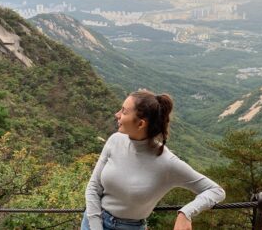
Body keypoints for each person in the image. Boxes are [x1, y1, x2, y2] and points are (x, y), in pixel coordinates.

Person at [82, 90, 225, 230]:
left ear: (140, 124)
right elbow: (93, 187)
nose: (117, 114)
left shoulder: (167, 163)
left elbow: (216, 191)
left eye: (124, 112)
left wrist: (186, 213)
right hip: (93, 219)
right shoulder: (115, 140)